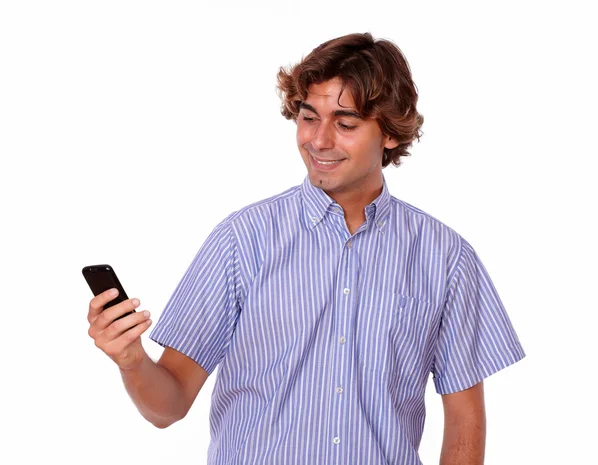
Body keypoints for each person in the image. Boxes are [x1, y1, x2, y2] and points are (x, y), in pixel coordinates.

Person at [87, 32, 525, 465]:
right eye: (308, 117)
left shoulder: (446, 258)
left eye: (346, 123)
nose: (319, 140)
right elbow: (170, 404)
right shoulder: (243, 240)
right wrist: (131, 360)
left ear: (390, 133)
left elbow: (466, 420)